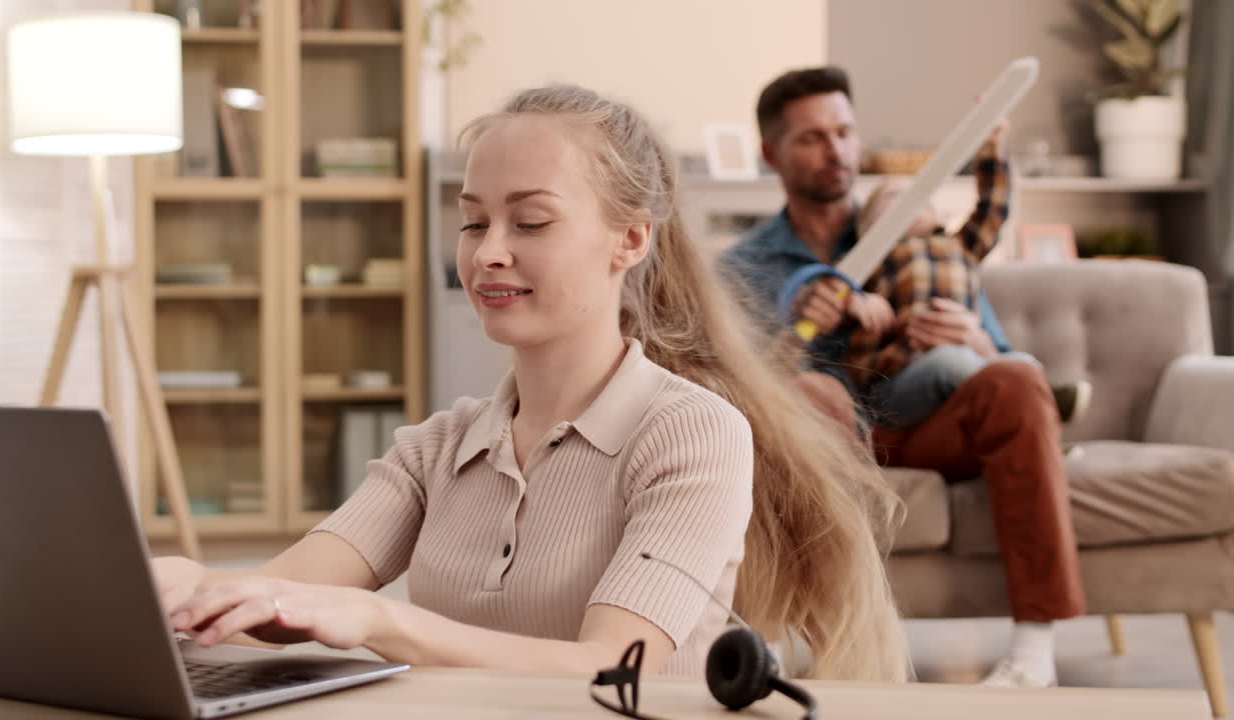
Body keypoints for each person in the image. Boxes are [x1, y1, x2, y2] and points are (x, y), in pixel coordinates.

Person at [155, 84, 909, 681]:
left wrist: (385, 622)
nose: (489, 254)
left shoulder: (694, 432)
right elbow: (280, 594)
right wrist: (188, 584)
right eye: (474, 222)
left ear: (631, 238)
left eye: (531, 223)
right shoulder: (437, 449)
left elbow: (618, 666)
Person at [720, 66, 1086, 688]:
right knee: (814, 391)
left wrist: (971, 339)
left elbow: (998, 359)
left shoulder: (924, 239)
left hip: (925, 420)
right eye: (812, 138)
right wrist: (797, 338)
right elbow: (737, 400)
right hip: (827, 438)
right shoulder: (744, 267)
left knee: (1018, 382)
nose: (836, 151)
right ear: (771, 154)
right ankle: (778, 642)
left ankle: (1033, 650)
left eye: (844, 132)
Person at [783, 138, 1092, 431]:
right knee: (954, 364)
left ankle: (1037, 402)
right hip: (898, 377)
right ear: (867, 227)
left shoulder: (961, 247)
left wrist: (992, 148)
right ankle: (1028, 397)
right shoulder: (874, 259)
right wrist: (858, 301)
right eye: (892, 199)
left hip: (965, 368)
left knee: (1022, 364)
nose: (908, 204)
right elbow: (829, 291)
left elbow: (993, 209)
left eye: (919, 197)